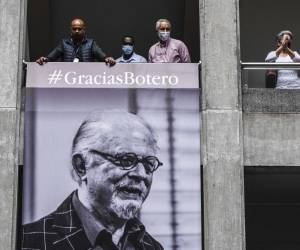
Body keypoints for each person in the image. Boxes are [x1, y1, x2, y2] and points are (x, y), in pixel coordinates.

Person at [22, 111, 164, 250]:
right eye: (125, 160)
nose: (141, 174)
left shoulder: (151, 246)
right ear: (81, 166)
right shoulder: (27, 242)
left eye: (148, 164)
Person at [36, 18, 115, 66]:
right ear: (71, 29)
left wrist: (108, 59)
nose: (77, 31)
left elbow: (102, 57)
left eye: (79, 29)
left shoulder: (91, 43)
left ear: (84, 29)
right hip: (67, 77)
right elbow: (50, 58)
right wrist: (44, 59)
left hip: (86, 77)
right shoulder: (64, 43)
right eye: (74, 29)